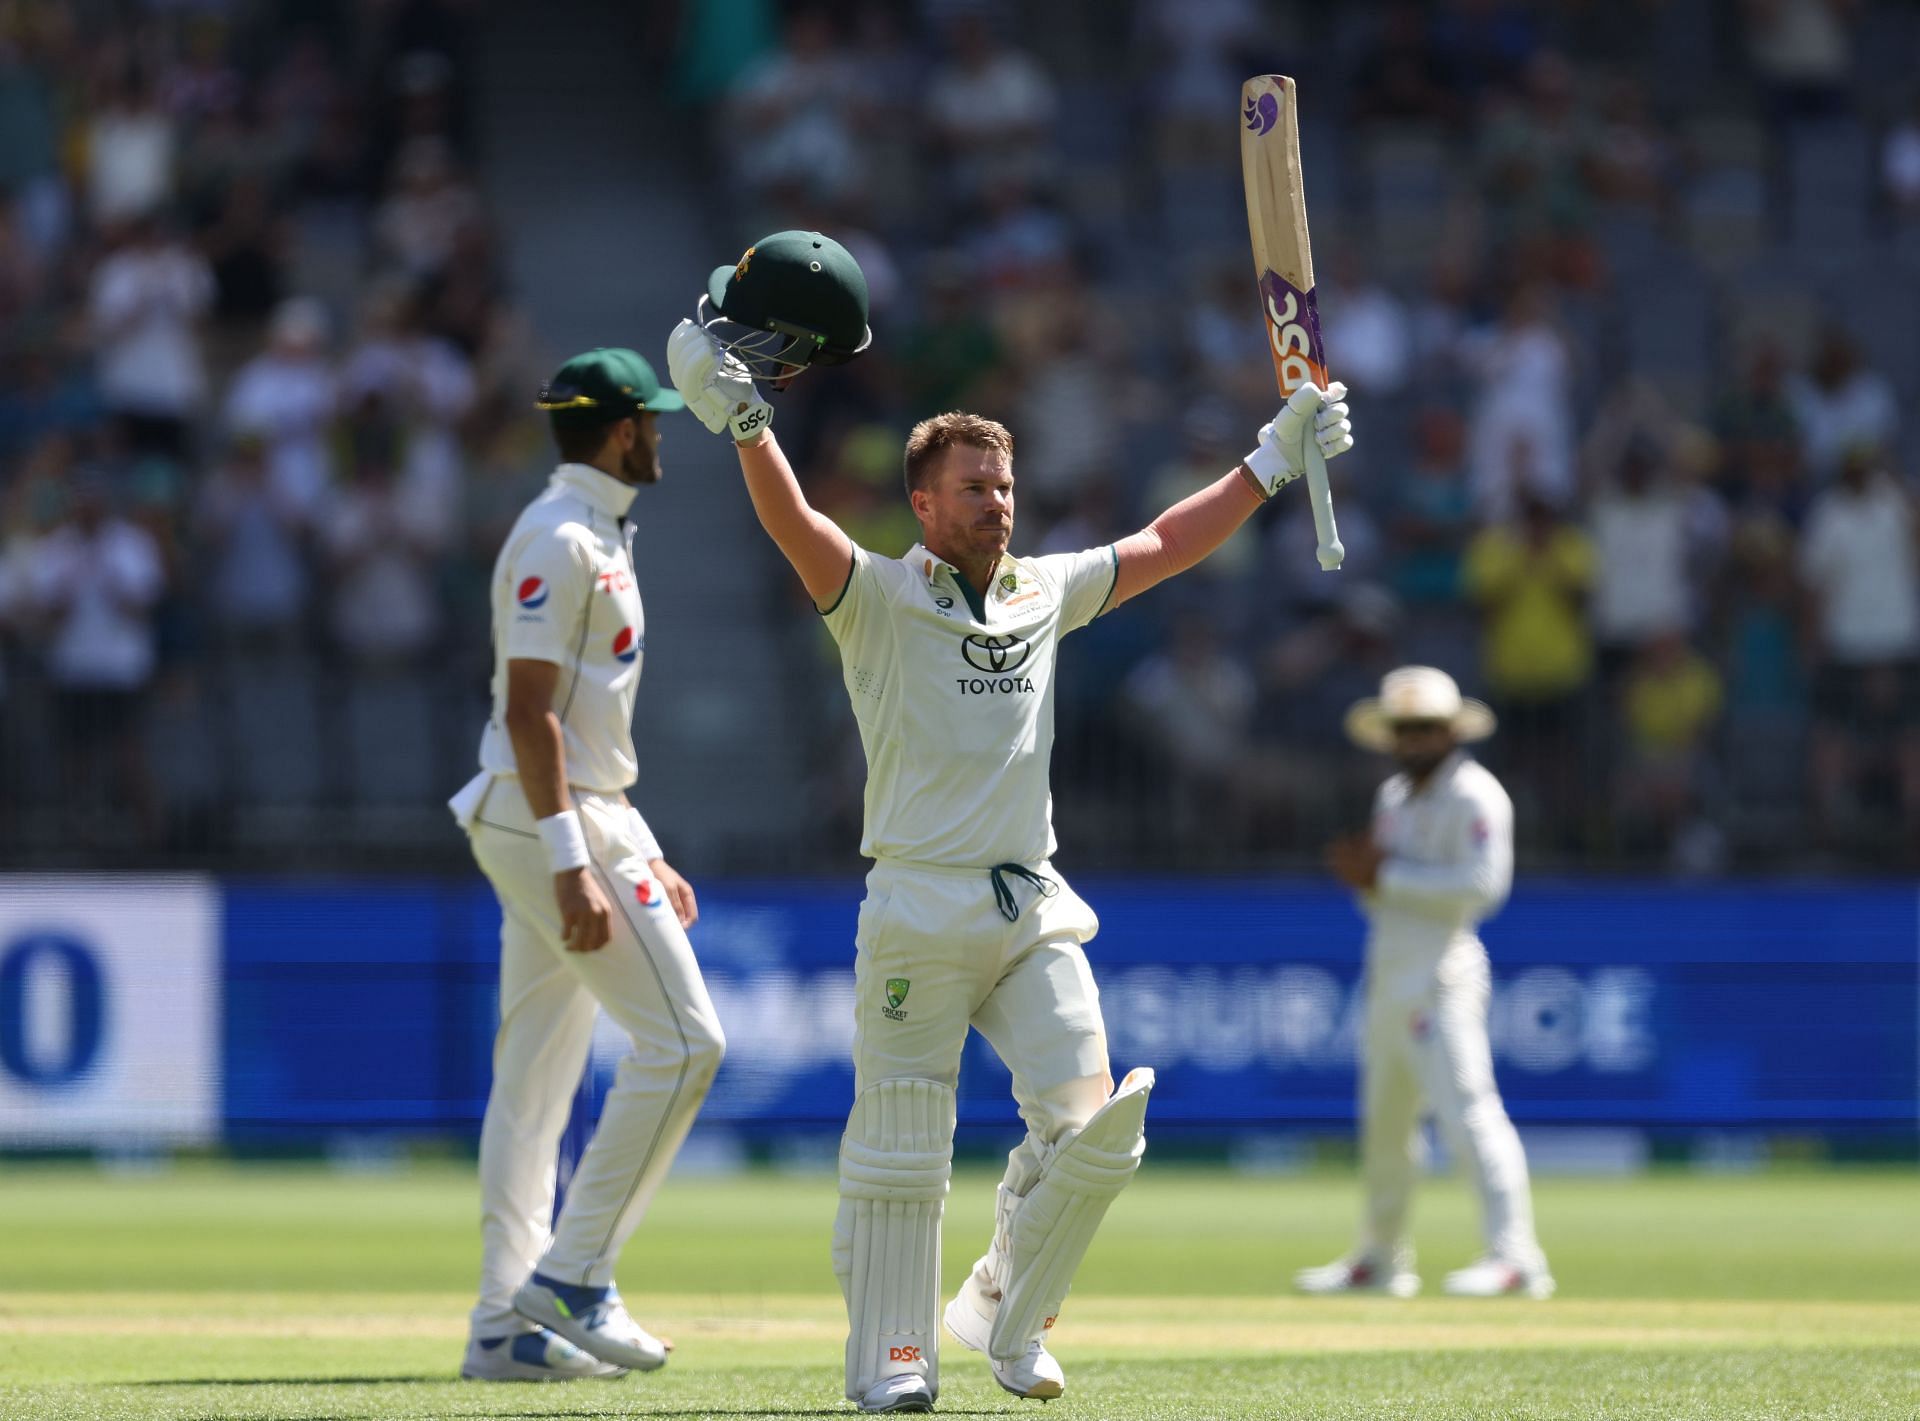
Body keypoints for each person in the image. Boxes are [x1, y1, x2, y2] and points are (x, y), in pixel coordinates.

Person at [664, 230, 1353, 1412]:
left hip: (1028, 899)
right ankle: (893, 1356)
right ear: (923, 502)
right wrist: (745, 424)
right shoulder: (875, 597)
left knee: (1097, 1132)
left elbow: (1163, 543)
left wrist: (1270, 460)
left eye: (1007, 488)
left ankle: (1006, 1308)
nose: (998, 505)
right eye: (975, 489)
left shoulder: (1043, 590)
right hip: (918, 901)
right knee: (899, 1145)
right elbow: (794, 526)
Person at [446, 349, 726, 1382]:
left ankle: (502, 1324)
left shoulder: (597, 531)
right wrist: (575, 863)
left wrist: (639, 844)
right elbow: (527, 714)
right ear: (621, 433)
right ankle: (573, 1275)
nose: (658, 433)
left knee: (534, 1081)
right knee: (689, 1042)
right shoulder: (558, 537)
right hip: (541, 818)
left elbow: (584, 723)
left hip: (572, 811)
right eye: (649, 420)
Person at [1300, 665, 1553, 1301]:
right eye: (1403, 730)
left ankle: (1517, 1257)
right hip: (1388, 977)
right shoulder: (1393, 796)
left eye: (1425, 730)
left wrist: (1386, 878)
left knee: (1470, 1114)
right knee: (1385, 1129)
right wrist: (1371, 883)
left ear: (1450, 732)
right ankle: (1382, 1258)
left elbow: (1483, 889)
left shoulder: (1476, 795)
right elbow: (1380, 896)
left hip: (1443, 977)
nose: (1413, 741)